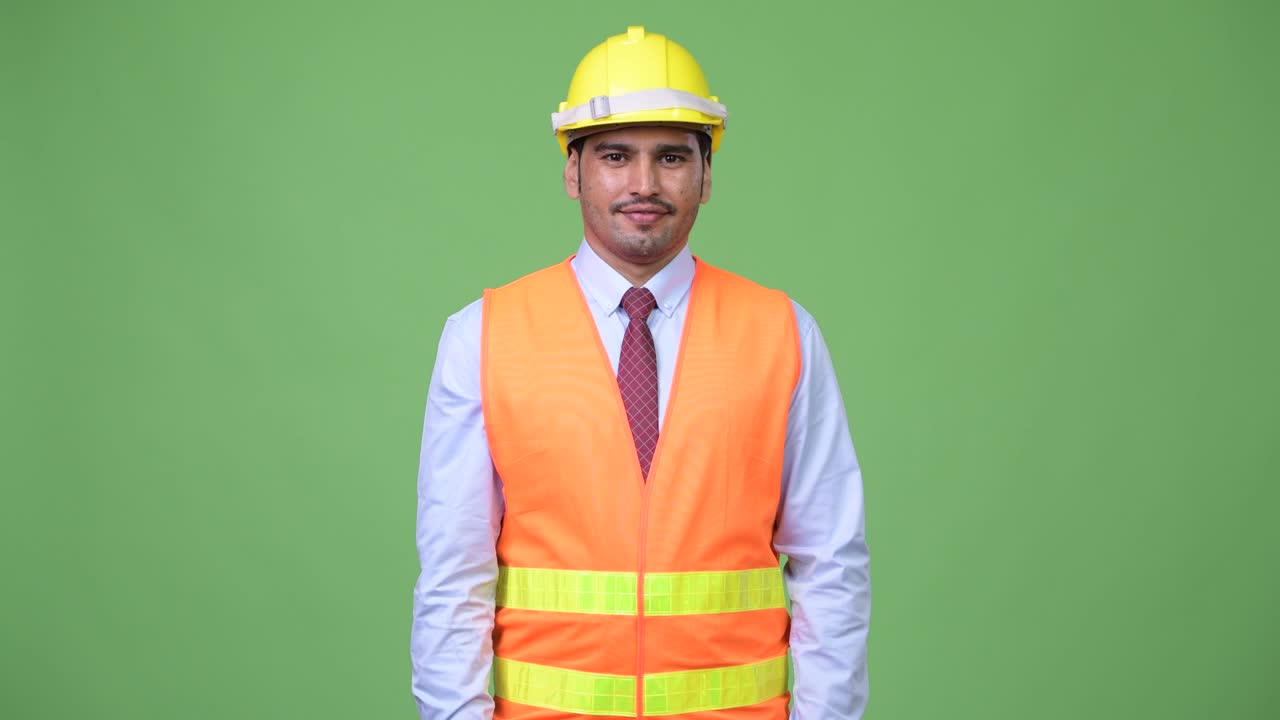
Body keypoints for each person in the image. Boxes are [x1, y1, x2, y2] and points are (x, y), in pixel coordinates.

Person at [411, 26, 870, 720]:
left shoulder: (783, 332)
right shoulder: (481, 336)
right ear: (573, 171)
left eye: (672, 157)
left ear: (707, 175)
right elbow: (453, 579)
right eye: (615, 155)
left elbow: (832, 565)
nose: (644, 184)